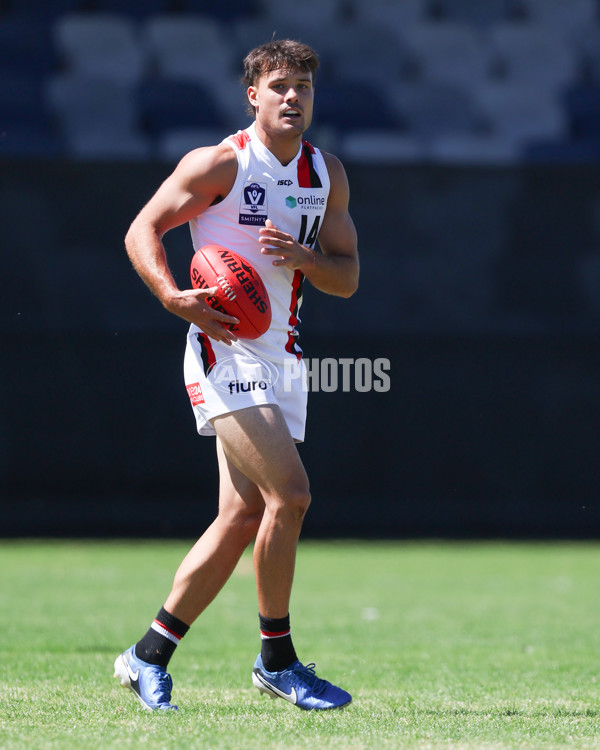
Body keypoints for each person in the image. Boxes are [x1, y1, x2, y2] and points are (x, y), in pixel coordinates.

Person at [113, 38, 359, 712]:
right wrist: (170, 294)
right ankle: (277, 660)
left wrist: (306, 258)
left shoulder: (326, 174)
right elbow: (144, 228)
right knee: (292, 496)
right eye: (278, 85)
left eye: (303, 87)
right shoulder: (222, 162)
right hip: (225, 350)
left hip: (284, 356)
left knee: (243, 514)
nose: (292, 97)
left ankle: (147, 654)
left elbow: (348, 278)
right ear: (252, 95)